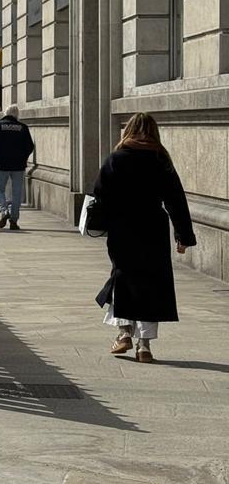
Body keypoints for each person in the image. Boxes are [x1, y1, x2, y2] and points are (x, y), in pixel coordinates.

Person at [93, 112, 196, 363]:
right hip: (153, 227)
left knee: (123, 277)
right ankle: (144, 346)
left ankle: (123, 332)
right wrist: (183, 235)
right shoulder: (161, 160)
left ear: (128, 129)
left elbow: (100, 195)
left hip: (123, 227)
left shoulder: (116, 158)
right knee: (153, 283)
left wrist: (101, 224)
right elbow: (176, 200)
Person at [0, 104, 35, 230]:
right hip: (18, 165)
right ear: (17, 114)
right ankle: (14, 219)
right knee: (17, 193)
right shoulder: (23, 127)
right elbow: (30, 146)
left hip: (2, 164)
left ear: (5, 113)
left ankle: (4, 210)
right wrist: (23, 157)